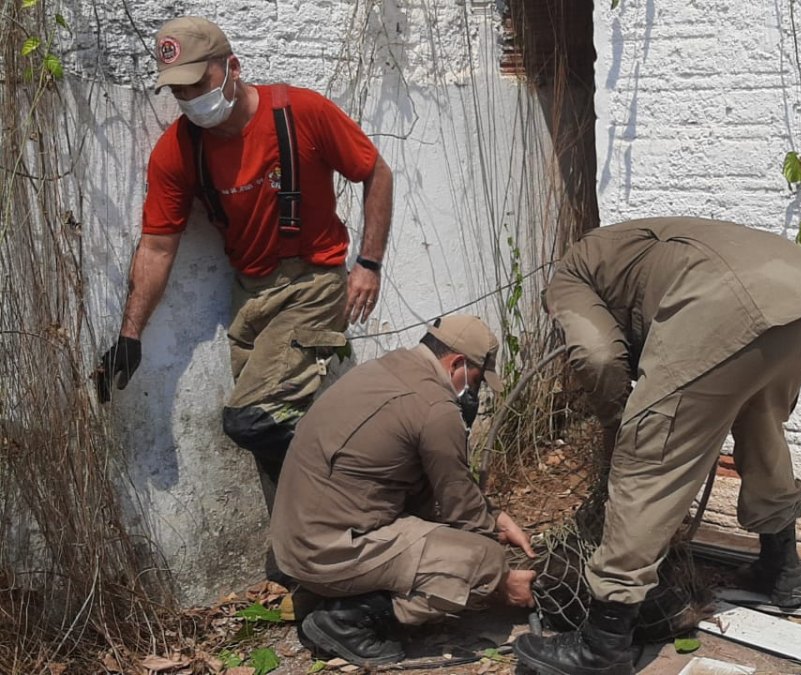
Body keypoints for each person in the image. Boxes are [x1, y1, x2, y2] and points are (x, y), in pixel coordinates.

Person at [514, 217, 801, 675]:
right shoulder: (624, 247)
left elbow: (599, 356)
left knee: (649, 458)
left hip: (726, 301)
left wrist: (620, 426)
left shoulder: (570, 276)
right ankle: (781, 571)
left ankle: (602, 646)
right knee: (762, 429)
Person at [93, 16, 394, 512]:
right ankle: (303, 554)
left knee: (251, 417)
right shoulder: (178, 150)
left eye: (199, 82)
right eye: (179, 90)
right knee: (271, 431)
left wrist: (369, 262)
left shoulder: (300, 111)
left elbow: (375, 171)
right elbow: (156, 248)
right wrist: (130, 334)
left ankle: (355, 500)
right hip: (249, 297)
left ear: (232, 67)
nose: (190, 98)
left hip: (313, 282)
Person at [270, 314, 538, 666]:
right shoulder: (436, 407)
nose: (476, 391)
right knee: (484, 560)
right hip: (327, 552)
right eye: (476, 379)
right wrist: (502, 578)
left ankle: (330, 593)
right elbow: (461, 508)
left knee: (435, 511)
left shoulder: (388, 367)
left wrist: (495, 516)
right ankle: (351, 618)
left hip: (295, 543)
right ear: (457, 363)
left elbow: (440, 487)